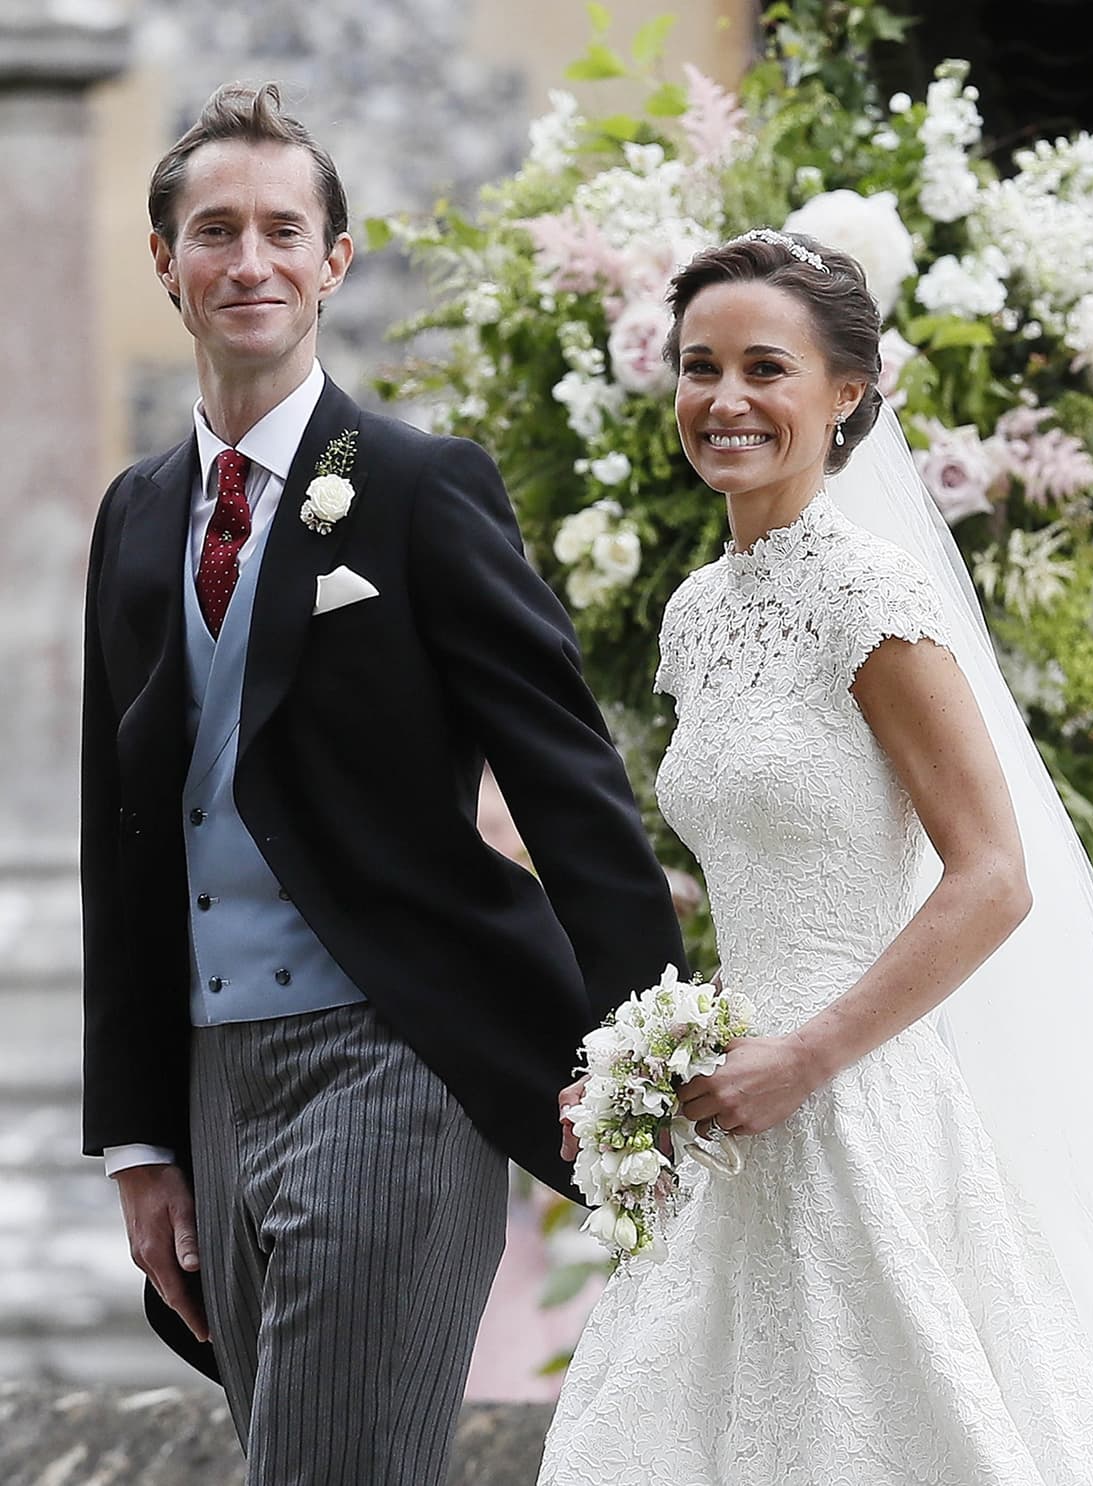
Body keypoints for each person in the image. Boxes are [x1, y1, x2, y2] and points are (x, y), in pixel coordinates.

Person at [80, 81, 685, 1486]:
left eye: (283, 230)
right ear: (163, 261)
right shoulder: (136, 514)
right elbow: (120, 841)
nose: (250, 261)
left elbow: (566, 776)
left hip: (395, 1055)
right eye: (214, 231)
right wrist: (137, 1139)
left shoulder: (413, 483)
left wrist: (648, 1058)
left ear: (334, 261)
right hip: (212, 1079)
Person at [540, 229, 1093, 1484]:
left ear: (846, 393)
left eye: (763, 368)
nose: (724, 399)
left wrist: (808, 1055)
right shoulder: (694, 611)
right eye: (699, 367)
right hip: (729, 1112)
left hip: (861, 1099)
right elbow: (755, 855)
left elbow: (994, 874)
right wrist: (638, 1073)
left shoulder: (871, 595)